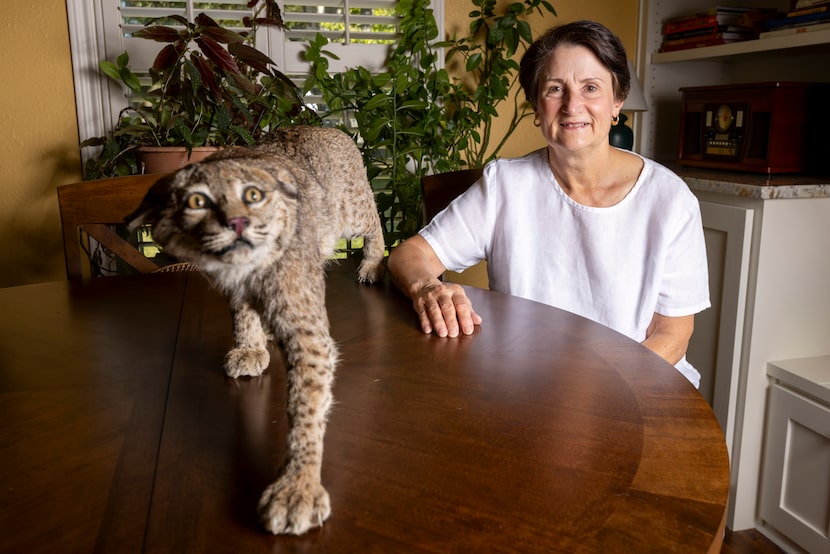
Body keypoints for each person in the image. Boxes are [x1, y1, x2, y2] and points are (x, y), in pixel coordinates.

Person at [387, 20, 710, 387]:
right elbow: (409, 255)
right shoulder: (505, 185)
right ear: (537, 107)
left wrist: (596, 393)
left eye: (591, 88)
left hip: (635, 388)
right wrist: (427, 288)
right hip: (530, 387)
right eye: (556, 89)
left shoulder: (670, 199)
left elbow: (673, 334)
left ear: (617, 102)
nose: (573, 105)